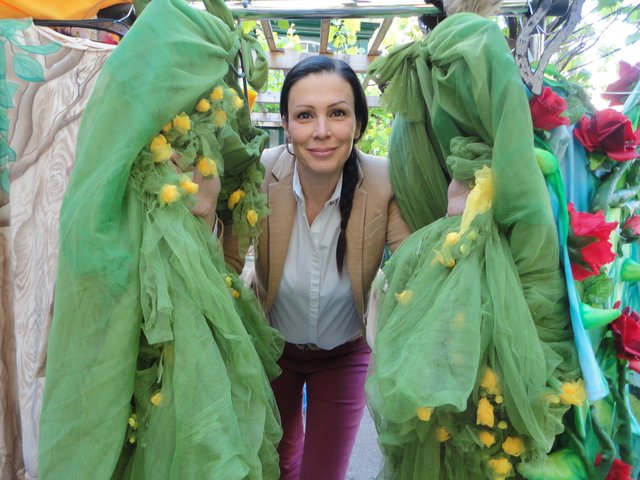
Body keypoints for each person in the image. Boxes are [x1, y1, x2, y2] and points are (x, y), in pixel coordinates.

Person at [223, 55, 411, 480]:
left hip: (344, 354)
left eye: (338, 113)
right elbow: (225, 262)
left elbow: (413, 263)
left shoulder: (384, 181)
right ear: (286, 125)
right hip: (273, 350)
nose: (322, 130)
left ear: (359, 124)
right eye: (305, 115)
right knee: (275, 460)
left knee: (323, 473)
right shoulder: (259, 173)